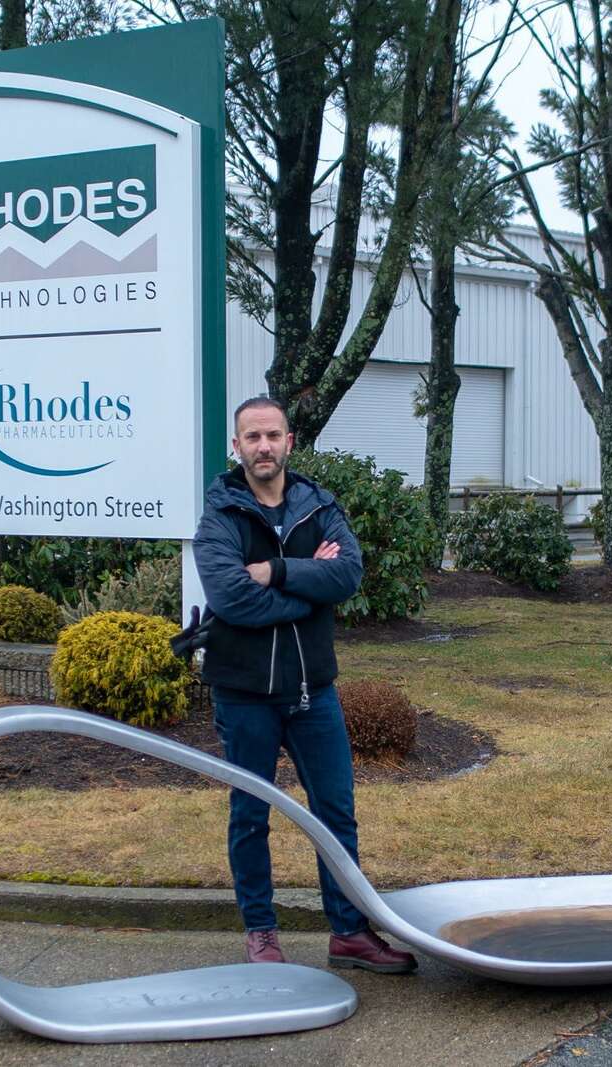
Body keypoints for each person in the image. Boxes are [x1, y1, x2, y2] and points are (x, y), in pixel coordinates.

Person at [189, 396, 417, 975]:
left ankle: (348, 933)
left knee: (336, 813)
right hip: (244, 695)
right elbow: (230, 599)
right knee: (251, 815)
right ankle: (261, 934)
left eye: (272, 435)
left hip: (314, 691)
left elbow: (347, 574)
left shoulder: (321, 507)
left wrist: (277, 570)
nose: (263, 447)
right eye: (252, 437)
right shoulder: (220, 518)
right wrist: (306, 586)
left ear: (290, 441)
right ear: (235, 448)